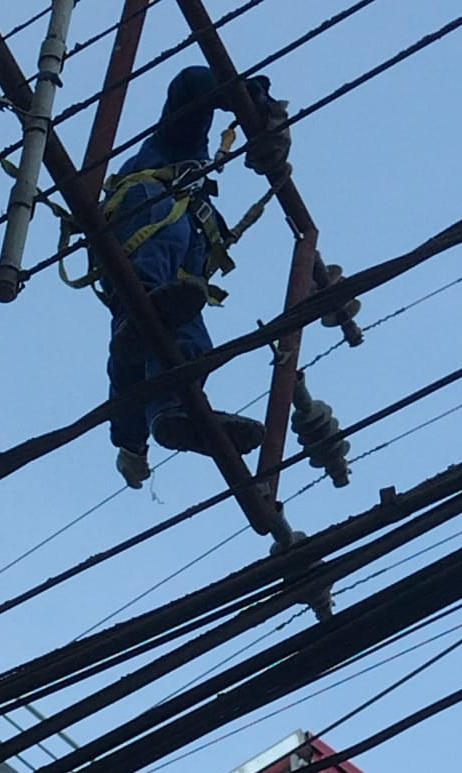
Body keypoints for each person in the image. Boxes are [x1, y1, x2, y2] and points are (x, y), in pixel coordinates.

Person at [102, 66, 291, 489]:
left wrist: (130, 445)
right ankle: (142, 313)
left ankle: (174, 411)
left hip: (161, 282)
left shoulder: (196, 216)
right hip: (141, 238)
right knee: (159, 266)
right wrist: (253, 102)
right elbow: (190, 83)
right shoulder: (174, 151)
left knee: (182, 341)